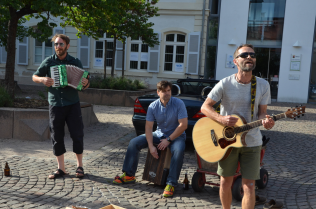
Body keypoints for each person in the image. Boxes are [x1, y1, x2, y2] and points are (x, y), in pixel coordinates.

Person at [201, 44, 275, 209]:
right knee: (225, 182)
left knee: (249, 185)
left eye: (252, 55)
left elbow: (262, 113)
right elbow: (205, 107)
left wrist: (266, 121)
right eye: (245, 55)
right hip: (227, 141)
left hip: (252, 142)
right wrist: (221, 119)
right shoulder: (225, 84)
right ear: (235, 61)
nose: (249, 57)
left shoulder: (263, 85)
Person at [113, 80, 188, 198]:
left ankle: (171, 183)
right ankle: (129, 175)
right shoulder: (153, 106)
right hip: (158, 134)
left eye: (169, 90)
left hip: (176, 136)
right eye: (164, 91)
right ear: (158, 92)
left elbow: (183, 125)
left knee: (178, 150)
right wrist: (151, 146)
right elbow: (148, 128)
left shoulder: (179, 104)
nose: (167, 93)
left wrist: (168, 139)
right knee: (134, 142)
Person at [32, 34, 90, 179]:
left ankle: (80, 166)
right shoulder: (48, 61)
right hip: (55, 104)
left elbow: (85, 82)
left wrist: (86, 83)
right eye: (56, 44)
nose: (58, 47)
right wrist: (42, 79)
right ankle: (61, 169)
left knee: (77, 134)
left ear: (67, 46)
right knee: (56, 136)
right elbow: (34, 76)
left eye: (61, 44)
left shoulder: (75, 62)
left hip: (72, 104)